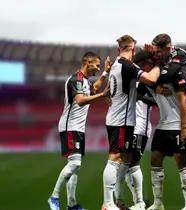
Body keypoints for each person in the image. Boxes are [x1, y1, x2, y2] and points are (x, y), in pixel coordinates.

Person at [102, 35, 161, 210]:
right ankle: (110, 203)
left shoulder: (115, 67)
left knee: (127, 162)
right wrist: (157, 62)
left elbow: (106, 92)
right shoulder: (128, 67)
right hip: (124, 121)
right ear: (133, 50)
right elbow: (150, 79)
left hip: (121, 119)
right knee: (118, 160)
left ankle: (126, 201)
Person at [48, 52, 111, 210]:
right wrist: (103, 95)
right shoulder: (76, 79)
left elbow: (94, 88)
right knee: (75, 163)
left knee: (75, 165)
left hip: (78, 127)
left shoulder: (85, 81)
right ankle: (54, 197)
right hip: (70, 126)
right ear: (88, 62)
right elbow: (81, 100)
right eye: (97, 64)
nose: (98, 67)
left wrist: (105, 72)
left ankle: (72, 204)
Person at [150, 33, 186, 183]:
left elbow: (168, 74)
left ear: (168, 48)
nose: (157, 54)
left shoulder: (179, 54)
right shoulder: (165, 56)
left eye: (159, 51)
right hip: (182, 95)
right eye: (155, 51)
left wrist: (153, 83)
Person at [140, 48, 186, 210]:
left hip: (178, 125)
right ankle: (158, 203)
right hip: (163, 126)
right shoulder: (149, 80)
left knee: (181, 163)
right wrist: (155, 89)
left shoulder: (172, 73)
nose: (142, 70)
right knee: (155, 160)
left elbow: (184, 100)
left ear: (151, 63)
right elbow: (138, 91)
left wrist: (184, 127)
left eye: (144, 65)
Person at [115, 50, 157, 210]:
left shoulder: (146, 81)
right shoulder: (136, 78)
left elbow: (155, 101)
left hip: (139, 127)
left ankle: (135, 201)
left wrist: (142, 97)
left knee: (131, 164)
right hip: (130, 125)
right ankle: (134, 201)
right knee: (126, 165)